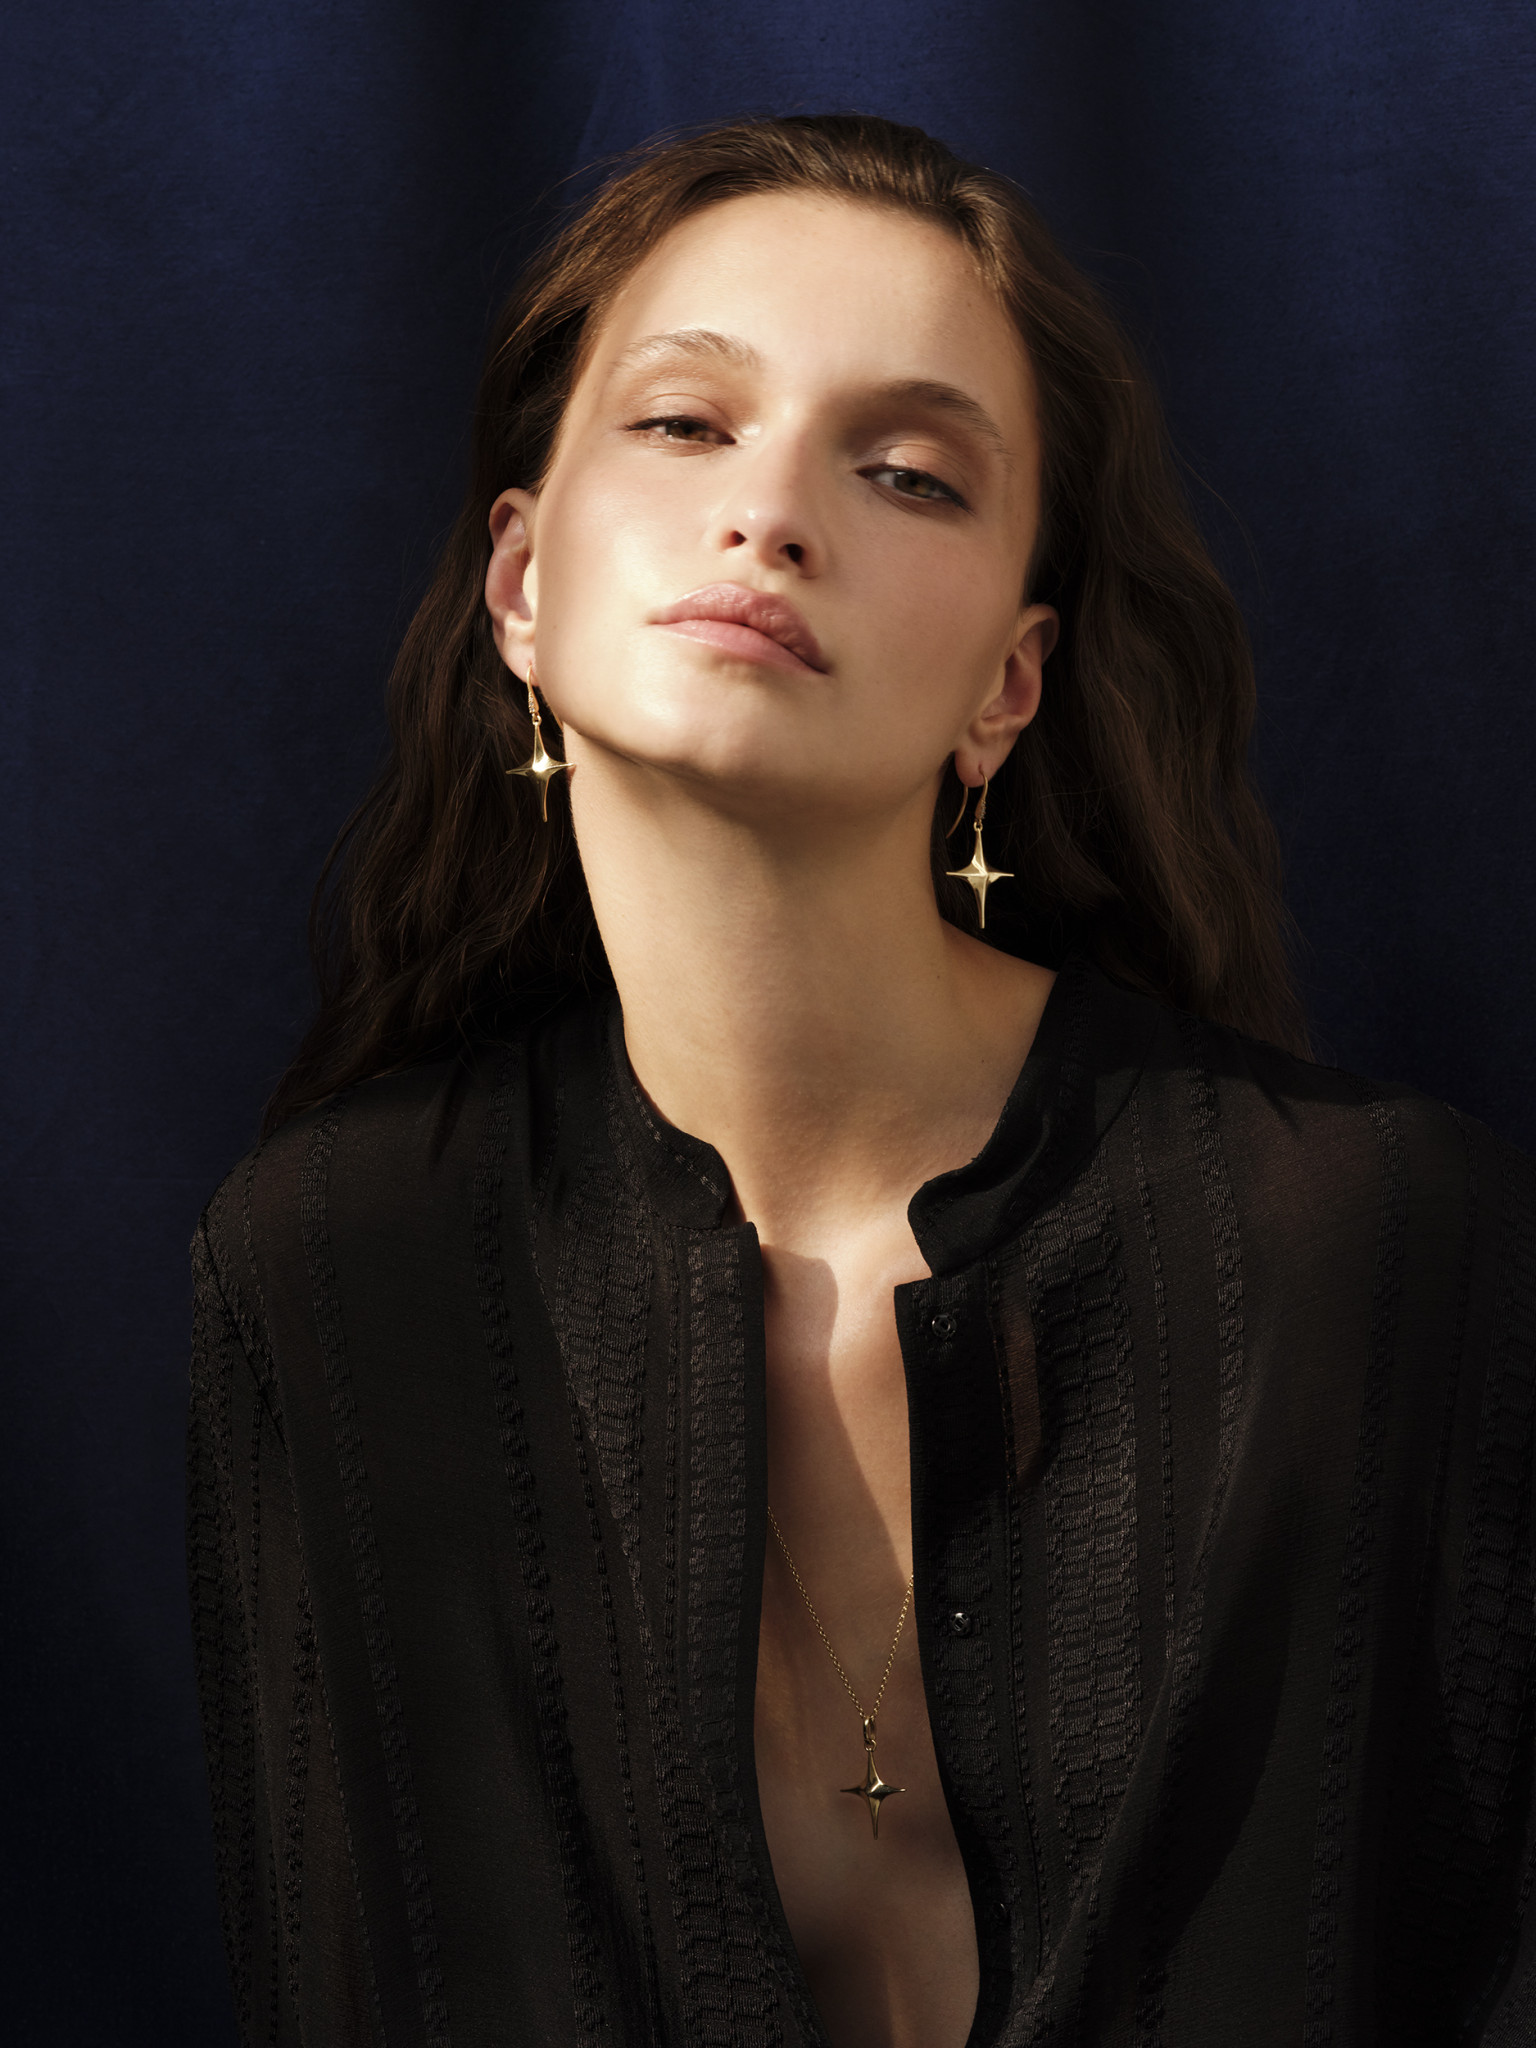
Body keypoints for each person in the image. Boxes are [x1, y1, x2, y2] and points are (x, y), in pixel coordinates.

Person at [187, 114, 1535, 2048]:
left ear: (1010, 681)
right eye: (684, 424)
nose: (772, 512)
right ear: (521, 584)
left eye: (906, 472)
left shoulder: (1381, 1247)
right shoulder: (329, 1268)